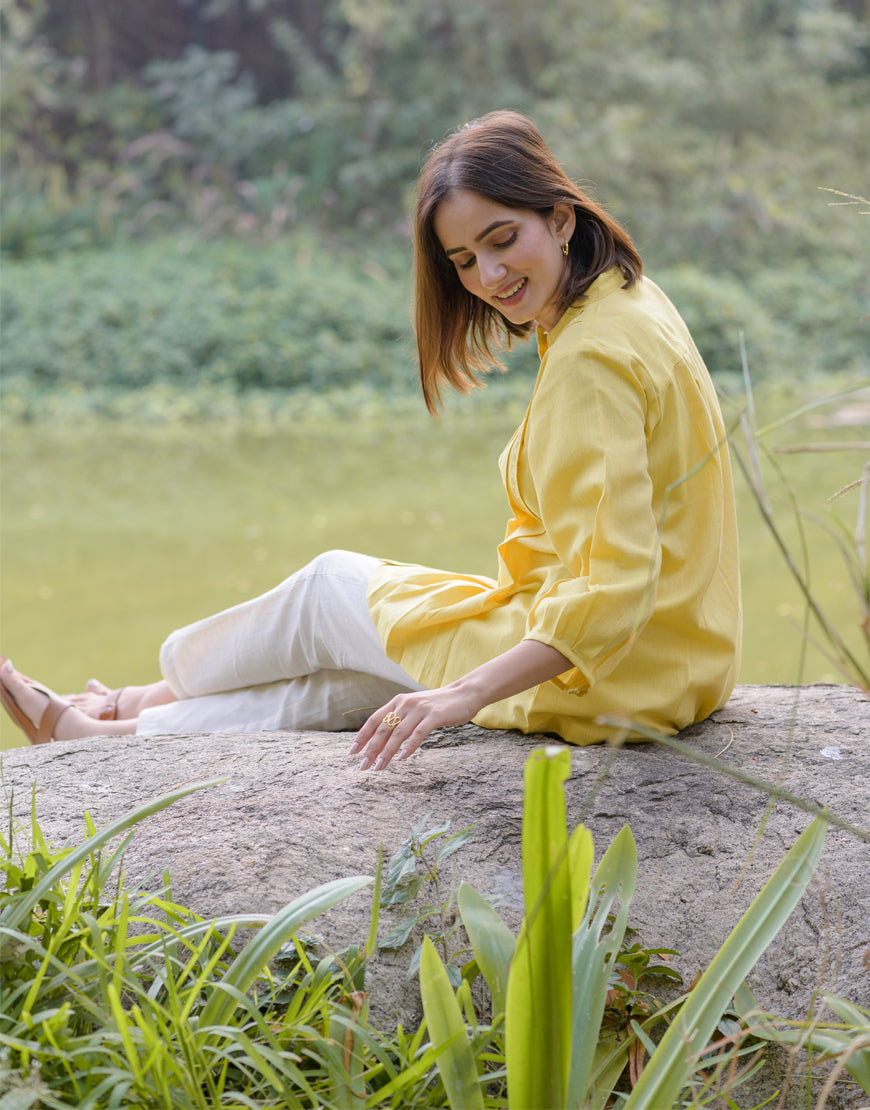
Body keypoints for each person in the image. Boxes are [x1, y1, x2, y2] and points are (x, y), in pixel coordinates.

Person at [0, 110, 741, 771]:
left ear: (560, 217)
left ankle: (130, 699)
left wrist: (462, 695)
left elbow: (614, 587)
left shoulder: (589, 360)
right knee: (367, 678)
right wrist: (444, 689)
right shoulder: (632, 302)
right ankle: (115, 734)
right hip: (678, 666)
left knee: (328, 592)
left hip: (608, 673)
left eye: (503, 239)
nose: (490, 274)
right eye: (464, 261)